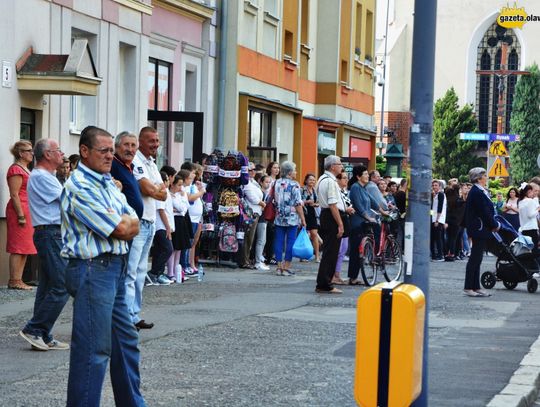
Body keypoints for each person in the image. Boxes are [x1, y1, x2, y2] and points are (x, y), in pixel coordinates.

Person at [61, 126, 145, 406]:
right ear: (84, 151)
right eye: (104, 150)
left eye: (112, 150)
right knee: (93, 351)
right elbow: (122, 227)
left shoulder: (107, 182)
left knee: (126, 343)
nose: (111, 155)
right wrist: (124, 223)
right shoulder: (80, 186)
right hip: (92, 269)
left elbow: (134, 218)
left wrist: (124, 223)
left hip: (114, 268)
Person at [19, 139, 70, 351]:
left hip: (51, 233)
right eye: (58, 150)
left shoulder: (47, 176)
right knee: (63, 284)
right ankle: (34, 328)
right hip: (50, 233)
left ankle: (42, 335)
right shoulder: (41, 176)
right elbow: (68, 200)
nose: (62, 153)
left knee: (48, 286)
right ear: (48, 154)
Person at [5, 140, 37, 290]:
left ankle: (19, 279)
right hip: (19, 210)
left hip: (27, 209)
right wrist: (20, 215)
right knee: (18, 246)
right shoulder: (16, 169)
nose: (32, 153)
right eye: (29, 150)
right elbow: (14, 194)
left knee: (25, 246)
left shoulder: (25, 168)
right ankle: (14, 280)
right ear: (20, 153)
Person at [463, 167, 499, 297]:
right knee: (475, 258)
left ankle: (475, 286)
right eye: (484, 176)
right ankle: (469, 287)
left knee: (477, 258)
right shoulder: (476, 192)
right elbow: (484, 212)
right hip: (479, 228)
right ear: (478, 178)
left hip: (481, 228)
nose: (486, 178)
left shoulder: (480, 191)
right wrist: (495, 225)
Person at [315, 155, 346, 294]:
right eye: (339, 164)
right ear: (333, 166)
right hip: (331, 216)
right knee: (331, 252)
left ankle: (324, 282)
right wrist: (340, 224)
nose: (341, 166)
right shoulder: (330, 182)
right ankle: (325, 283)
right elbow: (333, 204)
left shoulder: (322, 179)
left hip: (325, 214)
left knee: (329, 251)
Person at [273, 161, 306, 276]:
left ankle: (278, 266)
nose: (296, 172)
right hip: (291, 218)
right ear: (290, 172)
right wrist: (303, 218)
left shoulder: (276, 182)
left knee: (279, 241)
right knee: (290, 242)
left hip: (279, 216)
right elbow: (297, 203)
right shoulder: (294, 185)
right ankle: (286, 267)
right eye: (295, 170)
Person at [347, 165, 379, 285]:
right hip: (357, 223)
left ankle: (355, 276)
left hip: (364, 223)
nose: (367, 176)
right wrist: (369, 217)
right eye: (365, 174)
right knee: (356, 251)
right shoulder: (355, 188)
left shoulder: (363, 188)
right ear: (358, 176)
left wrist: (383, 210)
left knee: (360, 251)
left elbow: (373, 202)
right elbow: (359, 206)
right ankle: (353, 277)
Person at [150, 171, 175, 283]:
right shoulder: (161, 192)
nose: (169, 182)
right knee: (167, 249)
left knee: (160, 250)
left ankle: (159, 273)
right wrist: (168, 227)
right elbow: (161, 210)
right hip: (161, 226)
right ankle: (154, 272)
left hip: (165, 225)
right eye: (167, 180)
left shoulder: (167, 193)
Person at [167, 171, 191, 282]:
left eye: (182, 185)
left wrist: (181, 200)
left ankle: (177, 269)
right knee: (173, 247)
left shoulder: (180, 195)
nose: (181, 187)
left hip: (181, 219)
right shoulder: (169, 195)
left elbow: (184, 208)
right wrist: (179, 206)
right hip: (174, 220)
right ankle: (170, 272)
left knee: (179, 248)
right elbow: (180, 208)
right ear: (172, 184)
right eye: (179, 185)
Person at [240, 162, 265, 269]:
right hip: (250, 212)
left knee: (251, 238)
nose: (253, 172)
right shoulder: (246, 182)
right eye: (250, 170)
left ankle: (247, 259)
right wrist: (262, 203)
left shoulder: (253, 182)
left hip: (256, 211)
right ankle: (244, 260)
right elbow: (252, 197)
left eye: (254, 170)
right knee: (248, 238)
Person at [333, 171, 354, 285]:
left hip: (346, 219)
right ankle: (333, 275)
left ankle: (337, 273)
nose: (346, 180)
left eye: (347, 178)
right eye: (344, 178)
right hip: (339, 219)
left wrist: (350, 209)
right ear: (338, 180)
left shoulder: (345, 191)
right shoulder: (336, 191)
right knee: (337, 249)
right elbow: (337, 205)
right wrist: (347, 209)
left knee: (343, 249)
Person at [254, 174, 272, 270]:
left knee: (263, 241)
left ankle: (259, 260)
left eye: (269, 182)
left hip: (264, 218)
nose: (268, 184)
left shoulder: (267, 193)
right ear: (261, 182)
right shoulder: (260, 192)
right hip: (261, 217)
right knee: (261, 240)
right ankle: (257, 262)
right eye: (266, 182)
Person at [302, 173, 321, 262]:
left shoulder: (314, 190)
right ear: (306, 180)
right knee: (304, 234)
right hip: (304, 213)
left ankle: (317, 256)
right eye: (310, 180)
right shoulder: (302, 190)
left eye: (313, 180)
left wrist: (315, 204)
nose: (312, 182)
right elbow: (299, 202)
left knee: (314, 234)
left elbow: (318, 202)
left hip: (312, 213)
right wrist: (307, 202)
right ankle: (303, 255)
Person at [518, 184, 540, 249]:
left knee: (527, 249)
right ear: (528, 192)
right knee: (534, 249)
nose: (533, 193)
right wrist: (538, 210)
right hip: (531, 228)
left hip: (524, 228)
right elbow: (531, 215)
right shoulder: (530, 201)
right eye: (532, 191)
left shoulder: (520, 202)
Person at [431, 180, 447, 261]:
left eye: (436, 185)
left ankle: (440, 255)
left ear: (440, 187)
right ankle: (436, 255)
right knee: (435, 238)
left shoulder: (441, 194)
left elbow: (440, 208)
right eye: (433, 185)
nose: (434, 187)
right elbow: (432, 208)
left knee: (438, 239)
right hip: (434, 219)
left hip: (438, 220)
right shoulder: (435, 195)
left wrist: (437, 220)